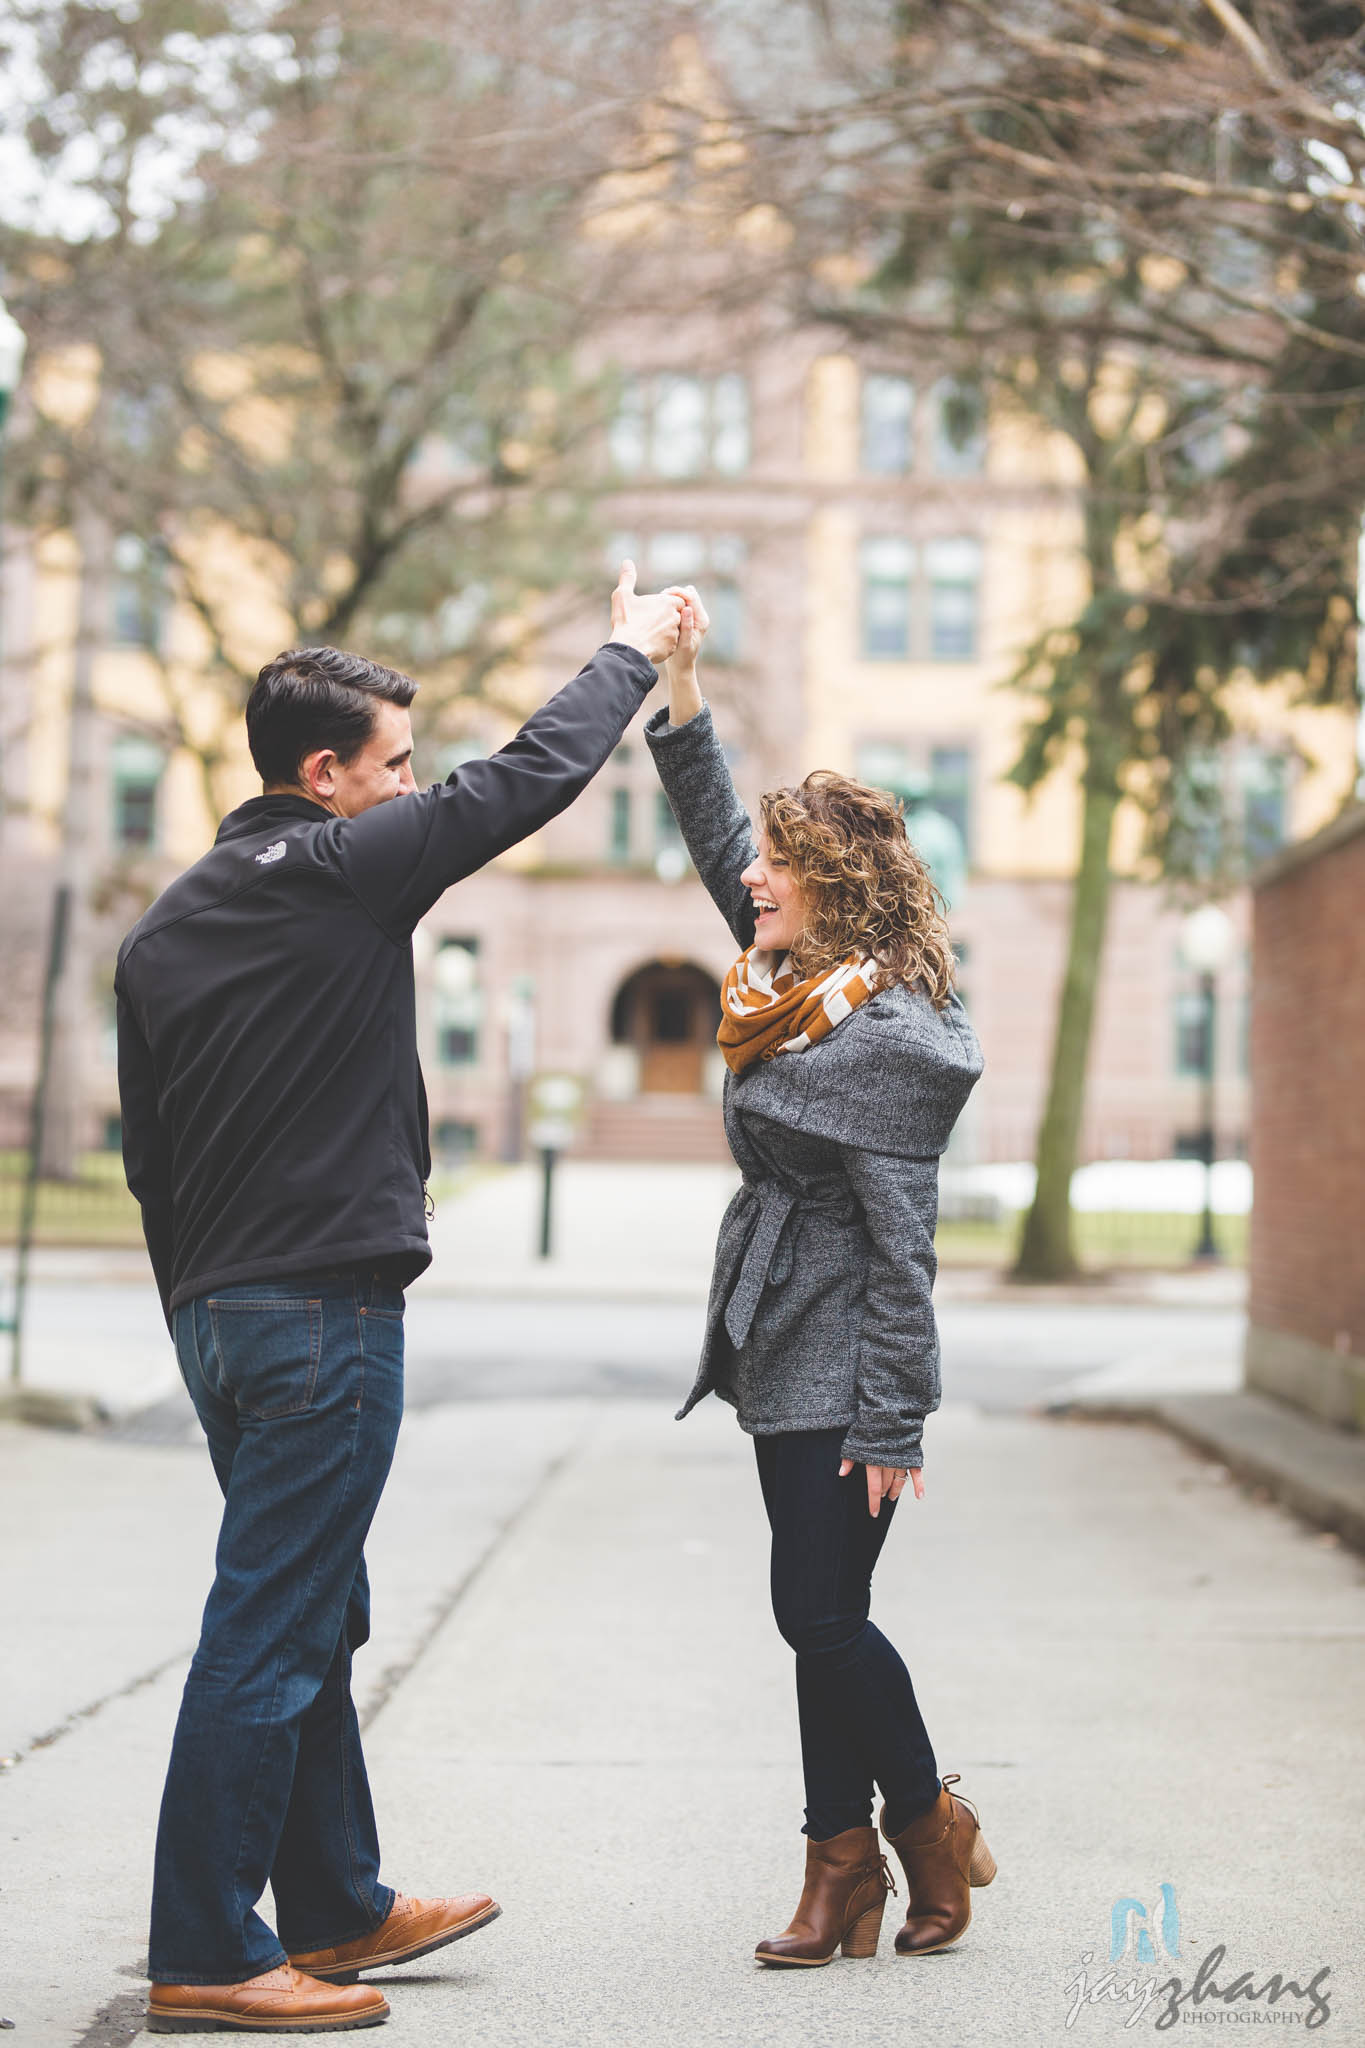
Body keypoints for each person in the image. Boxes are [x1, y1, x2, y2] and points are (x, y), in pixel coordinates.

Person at [116, 568, 683, 2034]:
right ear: (327, 778)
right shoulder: (342, 865)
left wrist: (194, 1313)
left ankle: (339, 1903)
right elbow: (529, 779)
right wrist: (626, 651)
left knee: (319, 1603)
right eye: (396, 769)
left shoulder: (166, 928)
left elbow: (151, 1159)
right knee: (274, 1621)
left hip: (219, 1314)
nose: (414, 790)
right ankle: (206, 1947)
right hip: (319, 1312)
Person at [643, 589, 993, 1969]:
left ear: (834, 890)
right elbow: (718, 833)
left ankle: (919, 1825)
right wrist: (679, 685)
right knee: (816, 1612)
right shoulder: (787, 986)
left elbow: (903, 1250)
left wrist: (893, 1417)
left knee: (817, 1613)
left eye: (781, 871)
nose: (752, 884)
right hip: (779, 1331)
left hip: (846, 1355)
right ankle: (835, 1870)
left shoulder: (893, 1040)